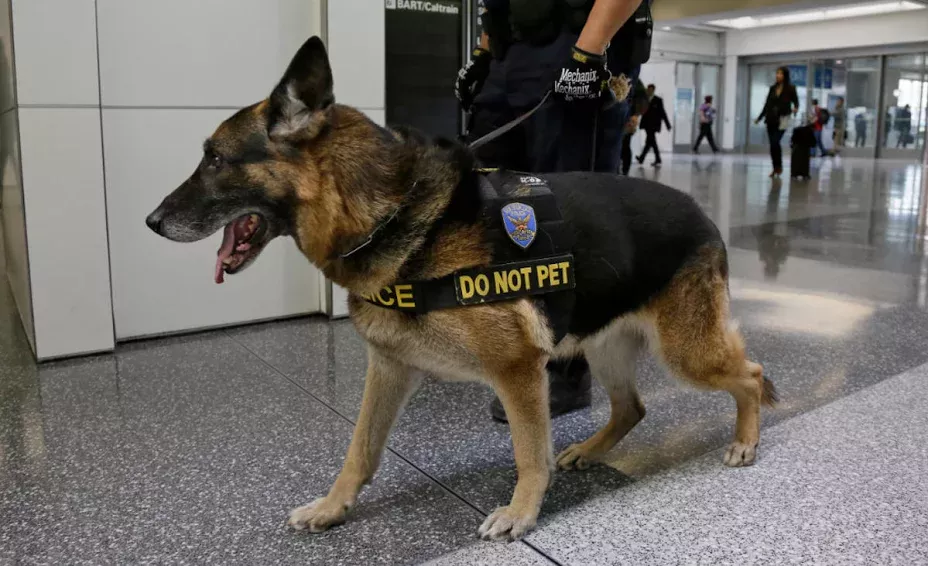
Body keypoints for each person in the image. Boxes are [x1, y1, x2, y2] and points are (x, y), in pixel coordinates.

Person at [455, 0, 654, 421]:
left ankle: (568, 369)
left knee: (569, 214)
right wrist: (484, 53)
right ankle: (517, 344)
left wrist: (590, 50)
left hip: (579, 41)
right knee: (496, 205)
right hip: (509, 53)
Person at [755, 66, 799, 179]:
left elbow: (796, 102)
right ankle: (775, 167)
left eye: (780, 74)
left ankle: (779, 166)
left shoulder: (791, 88)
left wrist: (795, 108)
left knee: (775, 142)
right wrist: (759, 117)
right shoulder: (772, 88)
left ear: (785, 76)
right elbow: (767, 105)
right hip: (770, 119)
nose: (778, 75)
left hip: (783, 118)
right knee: (773, 145)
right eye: (777, 73)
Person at [636, 84, 671, 167]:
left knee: (650, 141)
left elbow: (663, 113)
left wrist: (667, 124)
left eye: (651, 90)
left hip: (654, 125)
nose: (649, 91)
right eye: (648, 90)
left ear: (653, 90)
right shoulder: (645, 100)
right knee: (650, 142)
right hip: (646, 124)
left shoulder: (658, 100)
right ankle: (653, 159)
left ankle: (644, 158)